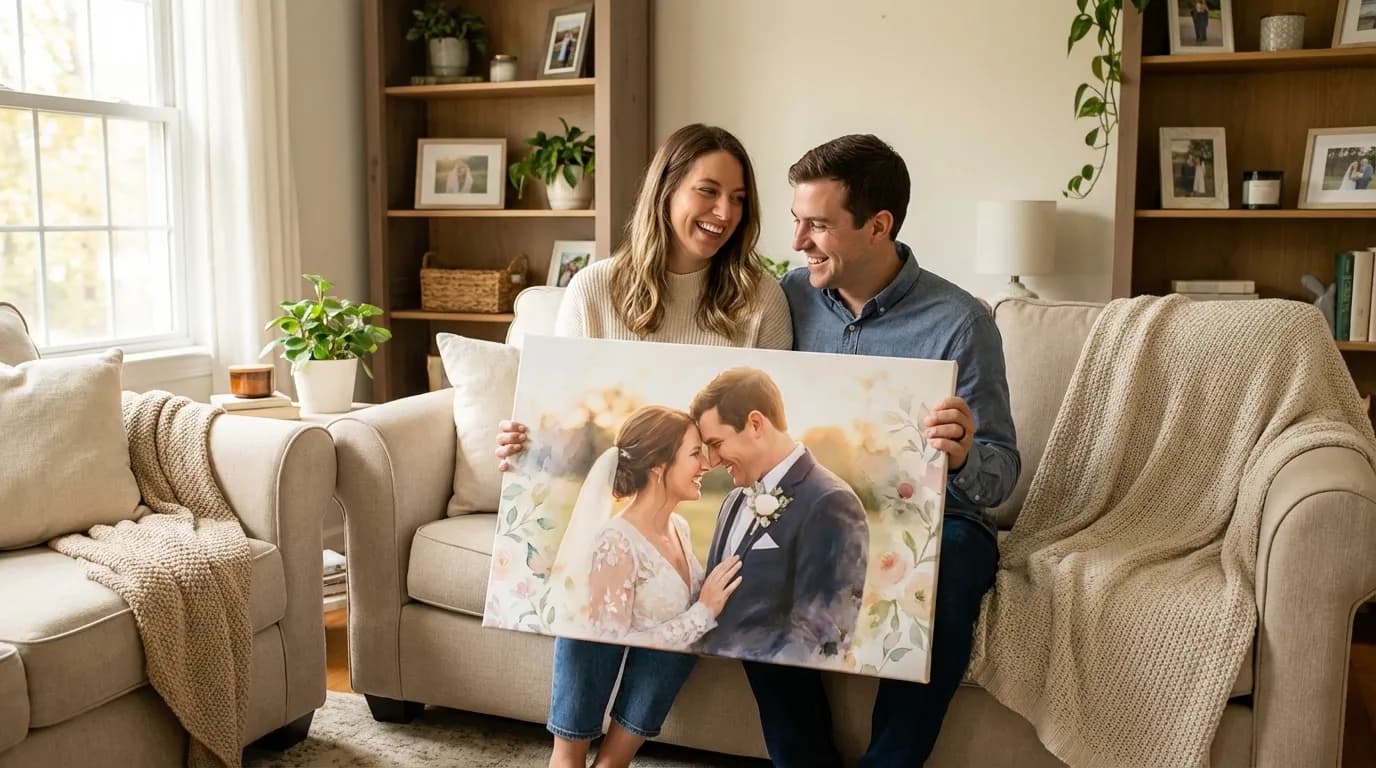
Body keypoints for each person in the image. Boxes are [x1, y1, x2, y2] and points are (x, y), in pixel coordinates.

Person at [495, 122, 793, 768]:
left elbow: (765, 428)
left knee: (695, 577)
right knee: (607, 548)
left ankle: (617, 757)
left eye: (738, 199)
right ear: (665, 192)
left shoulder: (761, 300)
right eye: (708, 192)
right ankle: (567, 757)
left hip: (705, 508)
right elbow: (560, 415)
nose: (724, 213)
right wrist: (523, 440)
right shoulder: (594, 289)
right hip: (627, 493)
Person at [760, 134, 1021, 766]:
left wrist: (961, 457)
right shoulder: (783, 300)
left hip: (939, 520)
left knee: (952, 563)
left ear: (878, 226)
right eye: (797, 220)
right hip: (813, 501)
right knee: (756, 551)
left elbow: (1002, 472)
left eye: (818, 225)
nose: (797, 242)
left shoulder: (961, 322)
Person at [689, 366, 868, 664]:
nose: (713, 460)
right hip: (714, 676)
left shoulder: (832, 502)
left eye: (716, 444)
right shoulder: (732, 501)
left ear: (756, 424)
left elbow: (824, 634)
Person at [554, 405, 743, 648]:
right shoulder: (616, 542)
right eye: (696, 453)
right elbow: (606, 646)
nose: (706, 464)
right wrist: (703, 613)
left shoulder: (679, 527)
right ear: (657, 464)